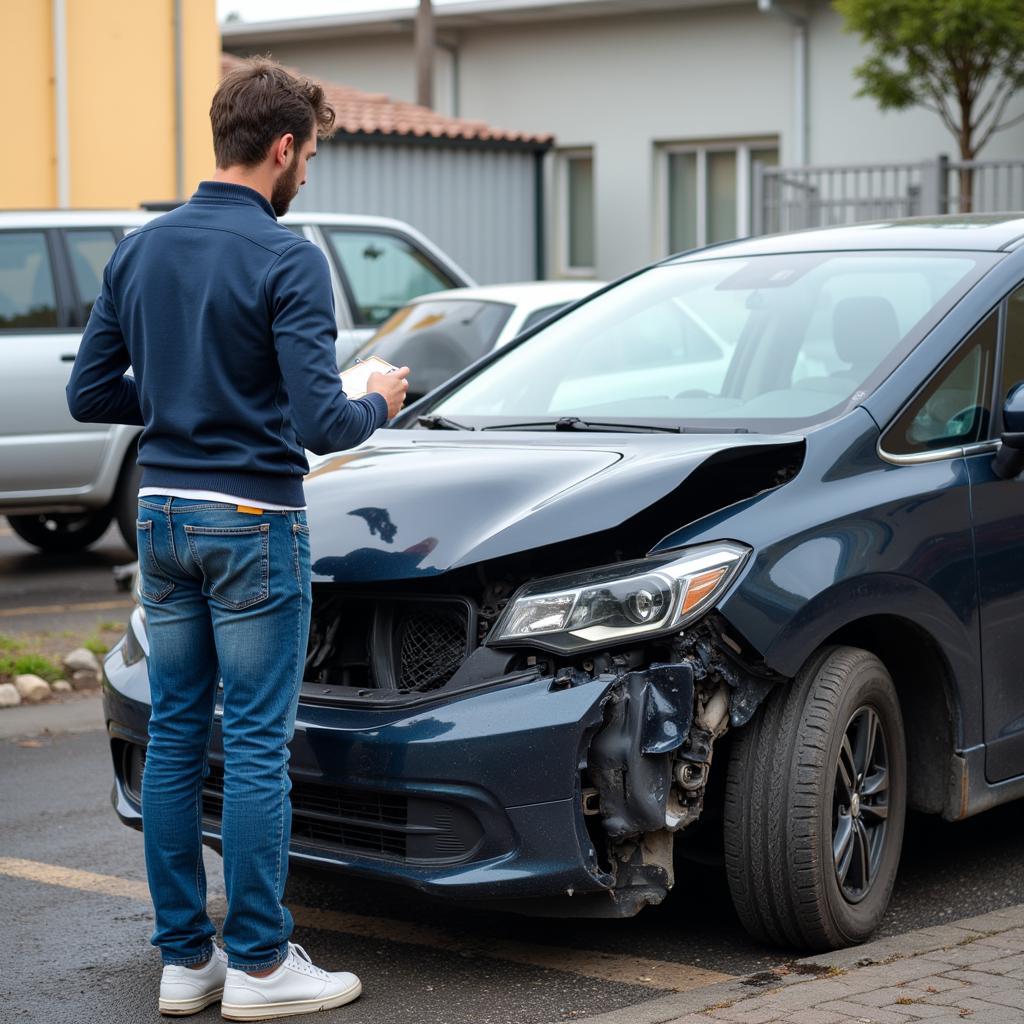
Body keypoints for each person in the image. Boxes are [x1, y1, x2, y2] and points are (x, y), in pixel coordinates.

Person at [66, 57, 409, 1020]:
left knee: (175, 733)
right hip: (254, 522)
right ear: (285, 148)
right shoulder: (288, 256)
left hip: (164, 517)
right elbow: (322, 422)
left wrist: (182, 397)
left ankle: (187, 962)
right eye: (310, 158)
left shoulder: (140, 249)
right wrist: (377, 398)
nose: (307, 178)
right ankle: (260, 964)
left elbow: (89, 393)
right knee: (255, 745)